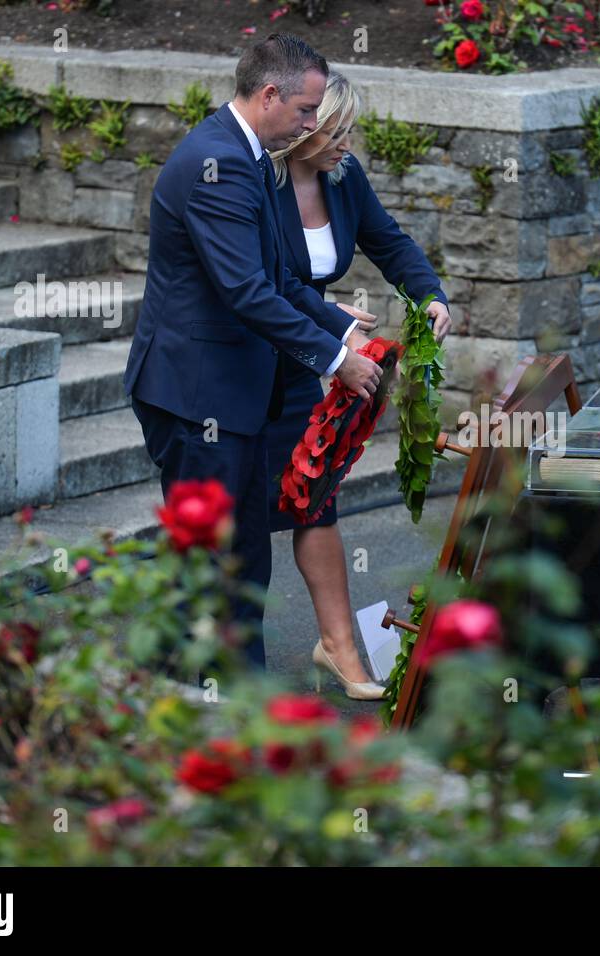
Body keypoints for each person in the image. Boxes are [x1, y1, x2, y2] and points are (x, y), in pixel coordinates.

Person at [123, 34, 382, 672]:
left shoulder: (252, 154)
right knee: (214, 565)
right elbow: (246, 290)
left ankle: (210, 701)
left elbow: (282, 279)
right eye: (304, 110)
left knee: (239, 559)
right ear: (269, 95)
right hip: (194, 394)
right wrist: (333, 359)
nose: (311, 124)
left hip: (232, 395)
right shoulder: (221, 163)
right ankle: (208, 707)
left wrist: (337, 328)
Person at [265, 71, 451, 699]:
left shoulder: (344, 178)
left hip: (299, 358)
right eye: (337, 130)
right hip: (246, 355)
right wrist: (334, 326)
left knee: (314, 496)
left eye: (350, 130)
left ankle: (339, 649)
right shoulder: (257, 180)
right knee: (242, 511)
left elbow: (389, 242)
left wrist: (428, 295)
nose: (349, 143)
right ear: (304, 128)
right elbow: (264, 283)